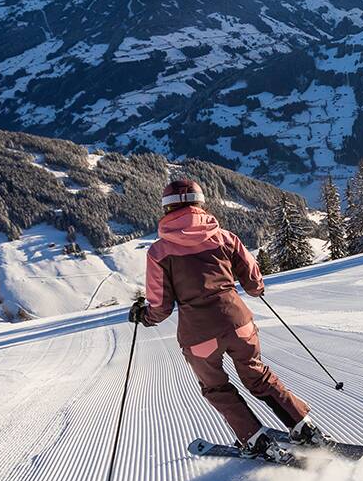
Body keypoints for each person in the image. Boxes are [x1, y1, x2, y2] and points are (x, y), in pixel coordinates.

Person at [135, 177, 324, 462]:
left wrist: (144, 317)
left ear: (166, 209)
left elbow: (160, 306)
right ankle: (303, 426)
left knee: (216, 387)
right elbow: (253, 281)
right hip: (239, 323)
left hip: (199, 336)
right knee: (257, 375)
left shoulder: (159, 252)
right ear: (201, 203)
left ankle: (255, 439)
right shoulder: (224, 237)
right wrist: (257, 288)